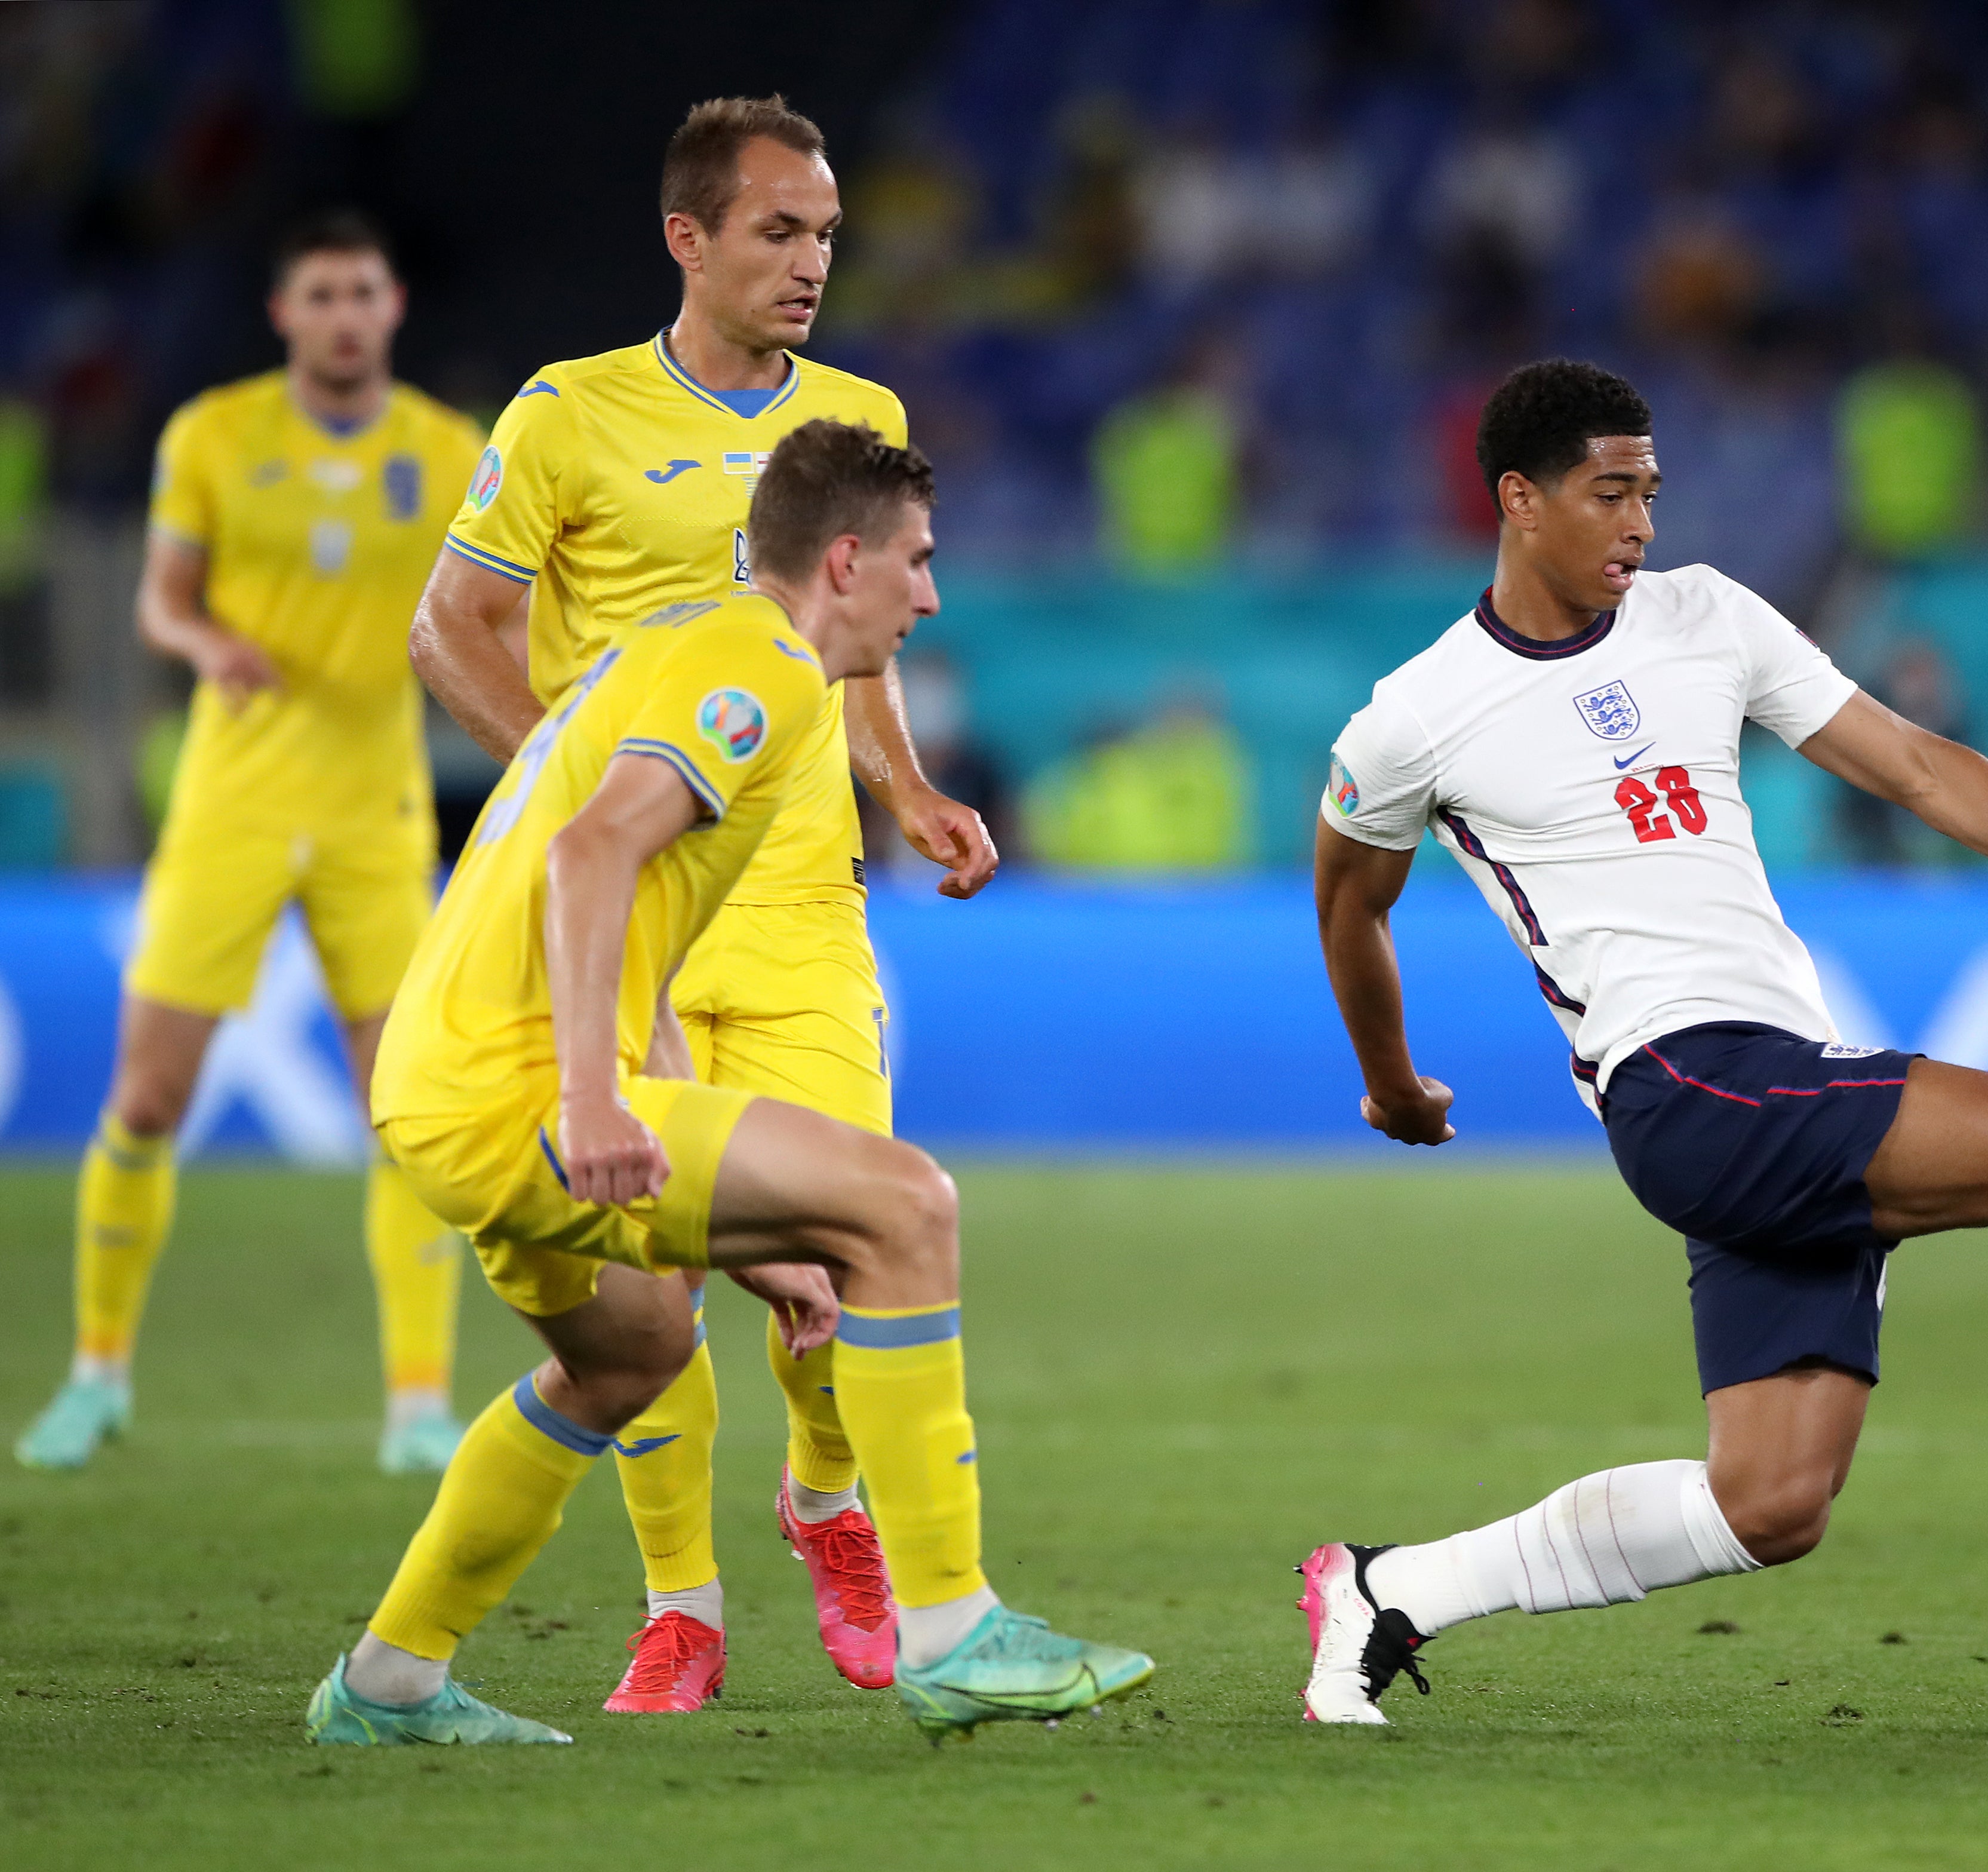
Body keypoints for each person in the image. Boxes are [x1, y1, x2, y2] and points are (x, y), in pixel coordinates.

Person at [1296, 360, 1988, 1726]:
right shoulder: (1416, 713)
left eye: (1649, 492)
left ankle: (1391, 1589)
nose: (1640, 522)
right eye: (1610, 493)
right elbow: (1346, 905)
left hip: (1767, 1071)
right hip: (1683, 1081)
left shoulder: (1704, 617)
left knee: (1771, 1501)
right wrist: (1390, 1084)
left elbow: (1905, 761)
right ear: (1518, 500)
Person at [308, 421, 1151, 1747]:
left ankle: (388, 1678)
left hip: (443, 1085)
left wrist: (746, 1228)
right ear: (848, 558)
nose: (932, 597)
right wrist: (592, 1102)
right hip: (514, 1088)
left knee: (629, 1354)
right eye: (919, 564)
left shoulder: (686, 646)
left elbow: (629, 915)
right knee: (905, 1204)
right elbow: (590, 858)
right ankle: (949, 1625)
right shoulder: (757, 674)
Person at [407, 96, 998, 1712]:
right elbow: (450, 625)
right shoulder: (569, 414)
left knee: (844, 1246)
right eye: (777, 232)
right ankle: (681, 1602)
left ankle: (828, 1496)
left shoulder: (854, 413)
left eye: (824, 236)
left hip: (800, 905)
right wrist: (585, 795)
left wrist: (904, 786)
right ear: (688, 239)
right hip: (626, 920)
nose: (810, 263)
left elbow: (855, 641)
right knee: (647, 1299)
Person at [16, 213, 481, 1478]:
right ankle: (98, 1373)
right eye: (321, 293)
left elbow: (496, 600)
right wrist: (202, 639)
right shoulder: (213, 434)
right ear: (284, 314)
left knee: (407, 1113)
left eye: (364, 292)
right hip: (230, 799)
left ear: (392, 310)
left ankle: (418, 1402)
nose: (344, 313)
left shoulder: (449, 452)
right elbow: (161, 593)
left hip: (373, 810)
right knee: (148, 1095)